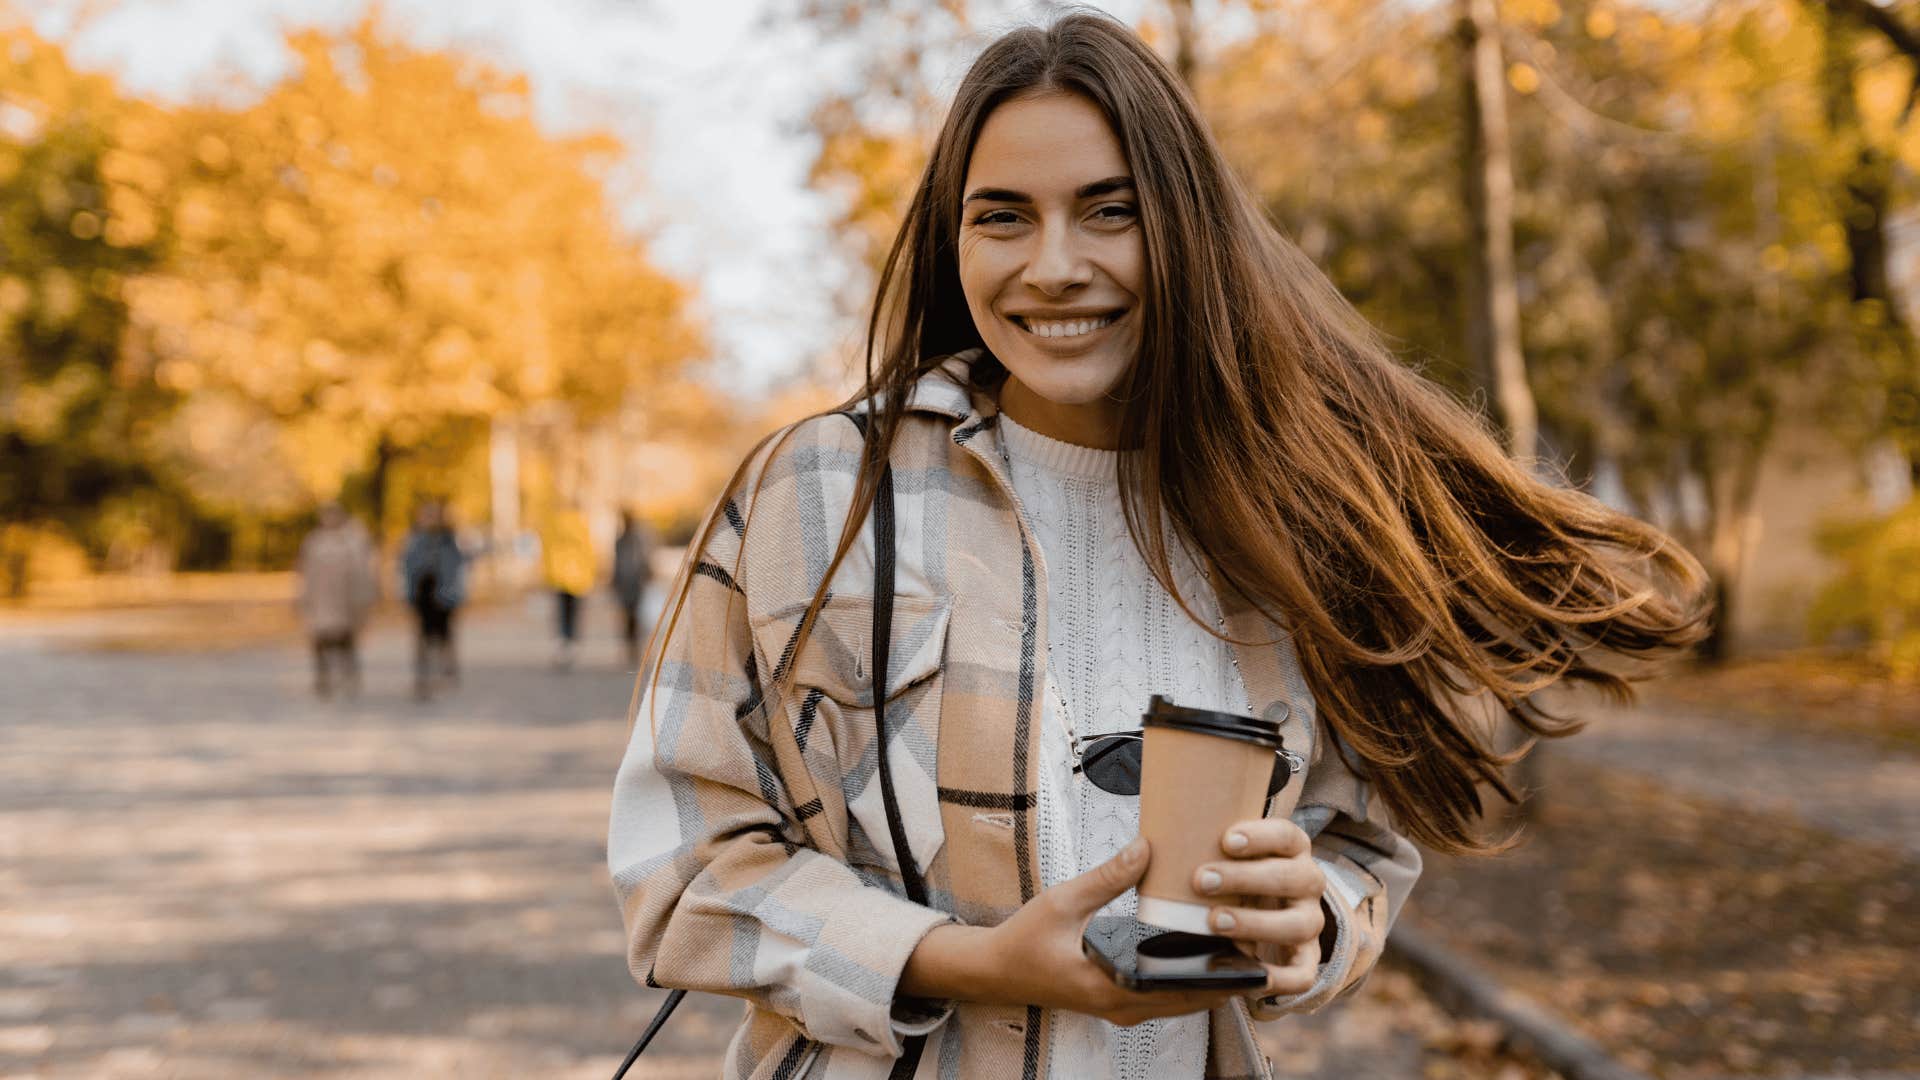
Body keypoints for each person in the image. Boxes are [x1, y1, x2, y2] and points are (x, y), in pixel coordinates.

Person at [608, 14, 1707, 1080]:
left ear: (1185, 227)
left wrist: (1307, 920)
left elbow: (1359, 851)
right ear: (955, 243)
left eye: (1108, 212)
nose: (1053, 265)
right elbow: (686, 865)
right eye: (1002, 217)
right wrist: (971, 962)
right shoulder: (820, 491)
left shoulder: (1290, 507)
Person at [295, 502, 377, 698]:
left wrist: (362, 600)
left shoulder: (352, 542)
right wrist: (303, 598)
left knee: (345, 640)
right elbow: (306, 572)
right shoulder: (314, 541)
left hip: (344, 600)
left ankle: (348, 674)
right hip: (321, 598)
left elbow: (362, 573)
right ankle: (323, 677)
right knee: (320, 640)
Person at [399, 501, 466, 701]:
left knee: (445, 635)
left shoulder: (449, 541)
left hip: (443, 594)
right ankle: (423, 676)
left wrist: (456, 594)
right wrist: (407, 595)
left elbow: (457, 569)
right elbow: (407, 569)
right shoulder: (414, 541)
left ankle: (446, 671)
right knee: (423, 637)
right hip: (423, 595)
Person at [539, 504, 596, 670]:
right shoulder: (581, 526)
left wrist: (548, 575)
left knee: (562, 613)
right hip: (579, 578)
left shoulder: (554, 526)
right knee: (574, 614)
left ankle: (562, 645)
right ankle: (571, 645)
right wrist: (590, 574)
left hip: (558, 576)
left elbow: (547, 552)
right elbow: (588, 552)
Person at [610, 509, 653, 670]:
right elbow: (616, 561)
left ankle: (634, 646)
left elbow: (644, 557)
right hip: (625, 582)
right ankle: (629, 645)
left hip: (636, 582)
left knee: (635, 615)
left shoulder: (638, 539)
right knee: (627, 615)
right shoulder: (620, 540)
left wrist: (647, 572)